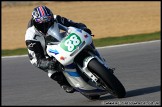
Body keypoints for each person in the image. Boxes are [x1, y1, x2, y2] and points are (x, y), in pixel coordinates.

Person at [25, 6, 93, 93]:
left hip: (61, 41)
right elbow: (36, 60)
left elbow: (75, 24)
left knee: (84, 37)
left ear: (51, 18)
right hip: (45, 51)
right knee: (52, 69)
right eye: (41, 24)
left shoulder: (56, 18)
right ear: (35, 22)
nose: (45, 26)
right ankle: (62, 82)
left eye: (48, 22)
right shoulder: (30, 36)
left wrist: (83, 29)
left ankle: (95, 56)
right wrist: (48, 63)